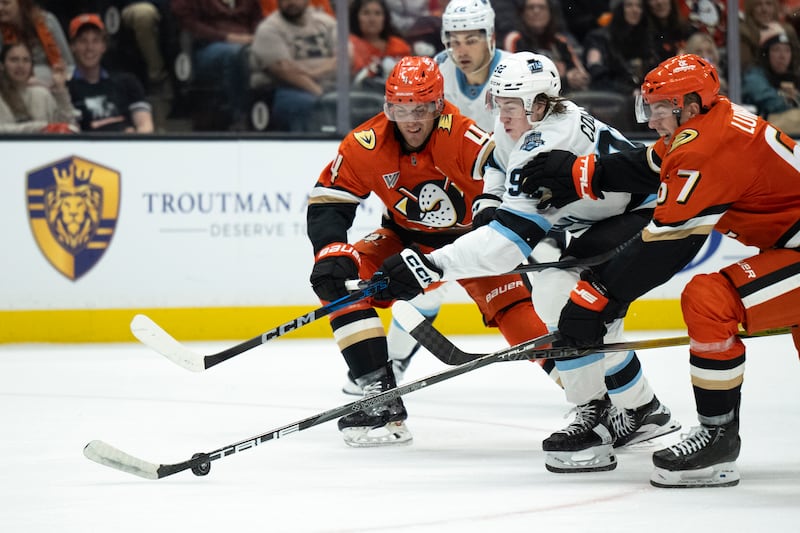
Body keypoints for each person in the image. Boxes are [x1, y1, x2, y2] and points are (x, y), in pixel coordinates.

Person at [370, 52, 679, 472]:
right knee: (563, 299)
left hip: (645, 215)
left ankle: (598, 414)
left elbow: (505, 248)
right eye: (498, 101)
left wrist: (428, 266)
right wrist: (488, 202)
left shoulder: (548, 140)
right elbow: (498, 162)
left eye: (512, 104)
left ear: (540, 103)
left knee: (574, 304)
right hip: (605, 218)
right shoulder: (523, 121)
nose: (502, 113)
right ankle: (642, 410)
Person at [516, 52, 800, 487]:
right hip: (789, 248)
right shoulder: (709, 122)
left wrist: (595, 297)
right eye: (647, 108)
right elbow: (649, 165)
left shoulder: (707, 146)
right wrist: (577, 172)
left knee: (710, 299)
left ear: (690, 105)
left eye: (660, 108)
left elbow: (667, 246)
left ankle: (717, 440)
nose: (651, 120)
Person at [306, 55, 549, 447]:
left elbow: (512, 186)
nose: (411, 120)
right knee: (337, 278)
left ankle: (600, 400)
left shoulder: (464, 138)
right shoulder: (367, 142)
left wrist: (516, 238)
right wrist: (330, 249)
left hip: (471, 243)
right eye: (400, 109)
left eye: (420, 109)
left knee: (524, 324)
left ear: (438, 105)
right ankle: (379, 396)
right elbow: (329, 201)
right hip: (404, 239)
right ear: (387, 107)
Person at [171, 0, 262, 131]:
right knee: (234, 54)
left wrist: (256, 36)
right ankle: (240, 117)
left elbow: (257, 19)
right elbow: (188, 24)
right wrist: (228, 38)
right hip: (207, 47)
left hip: (249, 43)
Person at [250, 0, 337, 132]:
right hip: (287, 90)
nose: (290, 2)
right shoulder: (268, 29)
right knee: (309, 105)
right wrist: (321, 95)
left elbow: (345, 58)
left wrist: (314, 73)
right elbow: (285, 71)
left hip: (332, 86)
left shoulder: (326, 22)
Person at [67, 13, 154, 133]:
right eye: (83, 41)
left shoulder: (128, 82)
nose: (89, 48)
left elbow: (145, 126)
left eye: (96, 41)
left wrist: (132, 140)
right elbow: (70, 133)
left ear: (104, 46)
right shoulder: (66, 89)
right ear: (72, 46)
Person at [503, 0, 590, 94]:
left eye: (542, 7)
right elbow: (515, 78)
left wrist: (576, 77)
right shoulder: (515, 39)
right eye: (531, 8)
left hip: (565, 96)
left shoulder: (560, 41)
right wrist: (564, 80)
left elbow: (582, 75)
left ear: (550, 13)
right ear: (522, 13)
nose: (536, 11)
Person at [583, 0, 658, 96]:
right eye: (629, 5)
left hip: (640, 93)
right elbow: (596, 72)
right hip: (610, 95)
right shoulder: (598, 38)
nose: (635, 10)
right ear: (618, 9)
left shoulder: (645, 39)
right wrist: (629, 91)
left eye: (639, 6)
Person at [0, 41, 76, 132]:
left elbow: (69, 128)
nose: (20, 65)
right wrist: (40, 127)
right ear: (2, 65)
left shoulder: (42, 95)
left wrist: (60, 89)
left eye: (26, 60)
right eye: (14, 60)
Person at [0, 0, 74, 86]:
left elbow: (69, 65)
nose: (0, 8)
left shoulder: (47, 21)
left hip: (54, 83)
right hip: (14, 86)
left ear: (21, 3)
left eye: (6, 3)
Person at [743, 31, 800, 133]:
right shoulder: (754, 77)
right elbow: (771, 104)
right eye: (776, 50)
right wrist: (788, 99)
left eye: (787, 50)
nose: (782, 56)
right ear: (766, 54)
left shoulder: (793, 77)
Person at [348, 0, 410, 90]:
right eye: (366, 13)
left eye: (377, 13)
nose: (372, 19)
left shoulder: (400, 45)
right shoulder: (350, 45)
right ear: (356, 17)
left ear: (385, 18)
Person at [740, 0, 800, 73]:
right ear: (750, 8)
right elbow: (745, 67)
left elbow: (796, 62)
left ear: (775, 8)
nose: (764, 10)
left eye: (769, 4)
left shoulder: (787, 30)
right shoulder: (743, 32)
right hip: (757, 77)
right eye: (758, 5)